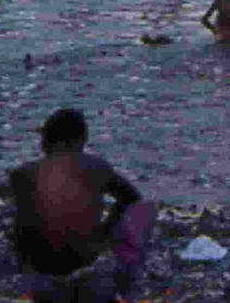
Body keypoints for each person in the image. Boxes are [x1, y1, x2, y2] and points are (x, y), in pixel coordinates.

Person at [9, 108, 154, 303]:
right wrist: (105, 230)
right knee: (146, 211)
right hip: (90, 272)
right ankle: (126, 287)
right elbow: (133, 198)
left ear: (50, 140)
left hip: (44, 279)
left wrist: (24, 267)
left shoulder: (23, 175)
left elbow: (22, 230)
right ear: (81, 139)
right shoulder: (98, 168)